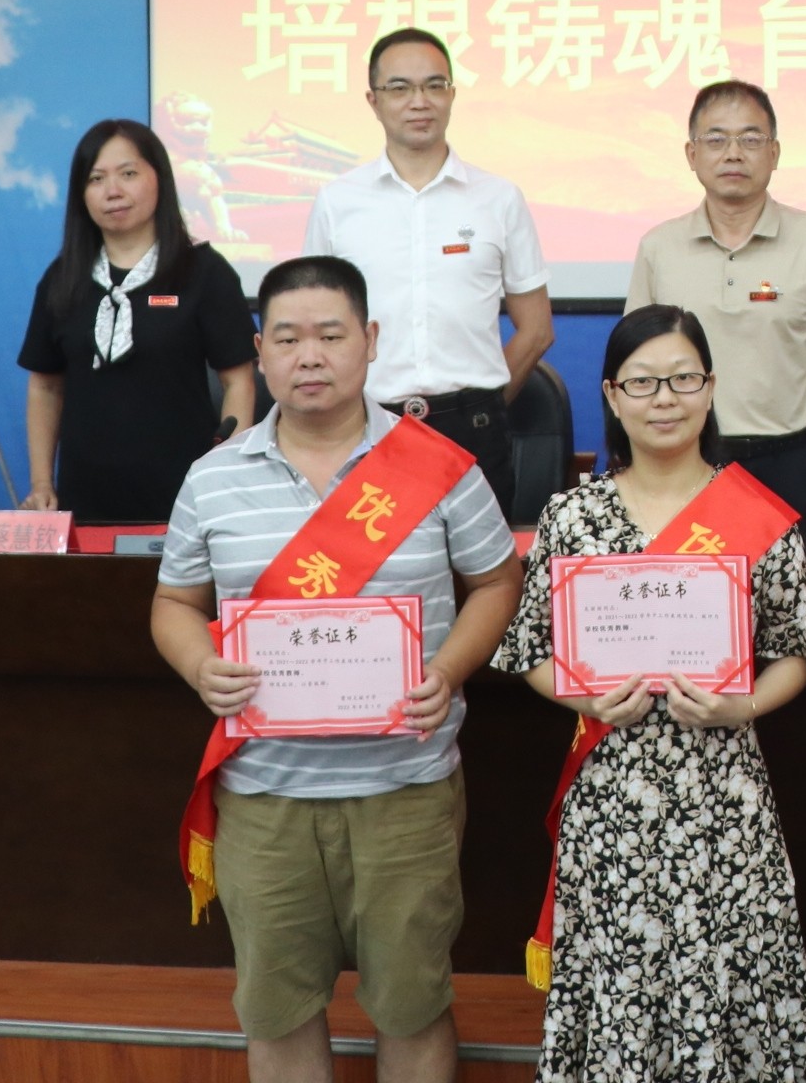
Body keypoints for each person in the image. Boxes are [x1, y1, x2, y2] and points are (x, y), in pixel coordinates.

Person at [151, 255, 519, 1083]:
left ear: (370, 342)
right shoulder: (213, 479)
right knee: (277, 1012)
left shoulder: (438, 466)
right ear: (260, 350)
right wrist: (201, 665)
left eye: (329, 334)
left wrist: (451, 670)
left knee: (413, 1005)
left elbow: (499, 582)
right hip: (266, 798)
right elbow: (173, 604)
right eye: (286, 337)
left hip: (406, 791)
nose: (308, 355)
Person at [499, 303, 806, 1083]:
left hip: (723, 795)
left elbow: (798, 652)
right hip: (612, 795)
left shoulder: (757, 516)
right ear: (612, 396)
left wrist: (739, 705)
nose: (664, 398)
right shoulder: (571, 516)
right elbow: (526, 652)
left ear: (710, 389)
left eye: (683, 378)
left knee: (732, 984)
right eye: (643, 381)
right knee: (623, 986)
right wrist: (581, 698)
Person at [305, 27, 559, 521]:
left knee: (483, 586)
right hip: (365, 430)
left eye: (434, 85)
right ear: (373, 101)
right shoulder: (338, 202)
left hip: (475, 432)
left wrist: (480, 406)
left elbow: (536, 329)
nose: (419, 101)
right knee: (375, 587)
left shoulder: (498, 198)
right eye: (399, 88)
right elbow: (313, 324)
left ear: (451, 95)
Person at [626, 78, 806, 524]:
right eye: (715, 139)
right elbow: (635, 369)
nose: (733, 153)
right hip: (686, 459)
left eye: (751, 139)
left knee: (789, 592)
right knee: (691, 591)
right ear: (691, 155)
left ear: (774, 154)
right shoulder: (659, 247)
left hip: (790, 458)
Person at [18, 117, 257, 523]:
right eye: (96, 179)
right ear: (81, 194)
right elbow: (45, 386)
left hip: (186, 495)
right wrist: (42, 483)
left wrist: (223, 476)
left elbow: (239, 381)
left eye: (128, 174)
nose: (113, 191)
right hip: (85, 496)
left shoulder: (203, 271)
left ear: (159, 178)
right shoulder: (63, 278)